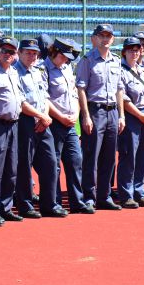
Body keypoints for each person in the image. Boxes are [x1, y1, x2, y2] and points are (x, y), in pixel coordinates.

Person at [0, 36, 36, 223]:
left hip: (13, 125)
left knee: (11, 168)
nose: (7, 54)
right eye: (4, 50)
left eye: (11, 51)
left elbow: (19, 99)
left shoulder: (13, 72)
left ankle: (5, 207)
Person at [14, 38, 66, 218]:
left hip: (43, 123)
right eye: (27, 52)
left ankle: (49, 204)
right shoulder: (14, 72)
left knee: (51, 163)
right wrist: (42, 116)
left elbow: (45, 96)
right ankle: (26, 205)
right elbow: (20, 102)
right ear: (19, 53)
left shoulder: (39, 71)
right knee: (24, 165)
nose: (31, 56)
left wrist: (44, 116)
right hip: (25, 122)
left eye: (34, 53)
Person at [75, 24, 125, 211]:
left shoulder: (116, 60)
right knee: (91, 155)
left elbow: (120, 89)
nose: (105, 39)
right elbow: (80, 88)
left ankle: (104, 196)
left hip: (112, 112)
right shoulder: (87, 60)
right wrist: (85, 116)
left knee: (109, 157)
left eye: (108, 36)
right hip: (94, 111)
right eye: (102, 36)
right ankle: (89, 196)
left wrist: (121, 115)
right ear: (94, 38)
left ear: (112, 39)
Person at [45, 39, 93, 215]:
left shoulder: (67, 69)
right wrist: (61, 116)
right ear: (55, 52)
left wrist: (75, 113)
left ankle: (77, 201)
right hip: (55, 123)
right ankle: (55, 202)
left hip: (71, 124)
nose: (67, 60)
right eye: (64, 56)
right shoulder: (44, 70)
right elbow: (45, 99)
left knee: (75, 161)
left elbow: (74, 95)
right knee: (54, 165)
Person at [117, 37, 144, 208]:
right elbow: (124, 99)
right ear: (124, 52)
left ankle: (139, 192)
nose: (134, 52)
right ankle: (126, 194)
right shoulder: (120, 70)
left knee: (143, 155)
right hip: (133, 116)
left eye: (137, 49)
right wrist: (140, 114)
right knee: (129, 156)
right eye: (131, 49)